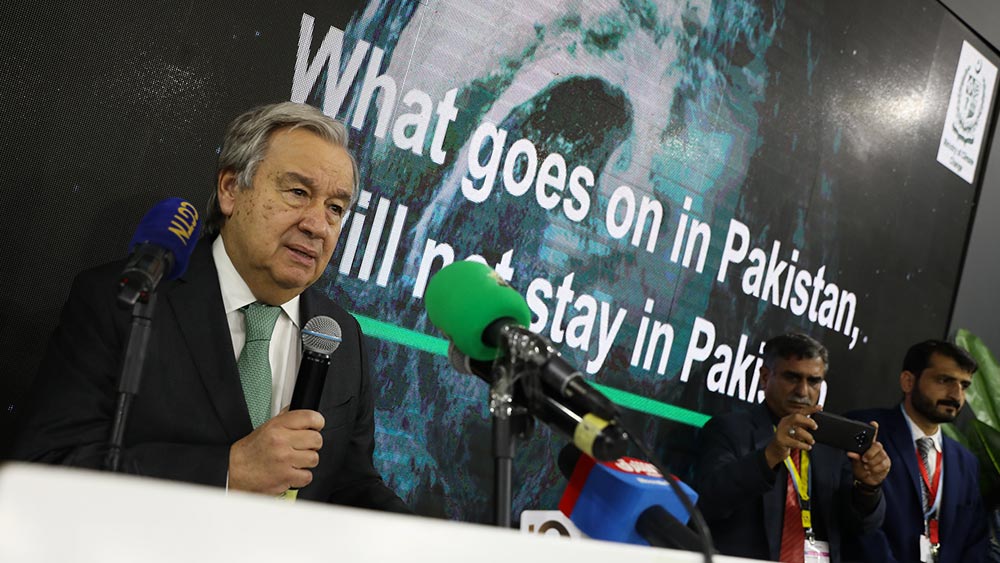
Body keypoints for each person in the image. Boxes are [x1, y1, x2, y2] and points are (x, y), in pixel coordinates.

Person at [12, 102, 409, 512]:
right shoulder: (128, 300)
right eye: (297, 193)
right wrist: (227, 472)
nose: (317, 225)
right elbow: (46, 466)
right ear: (231, 189)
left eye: (335, 208)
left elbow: (350, 485)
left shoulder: (341, 336)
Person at [695, 332, 889, 562]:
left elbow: (863, 526)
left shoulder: (832, 446)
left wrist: (868, 488)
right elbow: (708, 502)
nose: (803, 391)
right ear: (765, 377)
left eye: (813, 381)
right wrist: (769, 456)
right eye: (792, 377)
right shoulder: (729, 429)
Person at [848, 340, 987, 562]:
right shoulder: (867, 432)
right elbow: (858, 524)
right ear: (908, 381)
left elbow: (975, 540)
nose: (956, 395)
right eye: (944, 380)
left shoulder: (966, 461)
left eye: (964, 385)